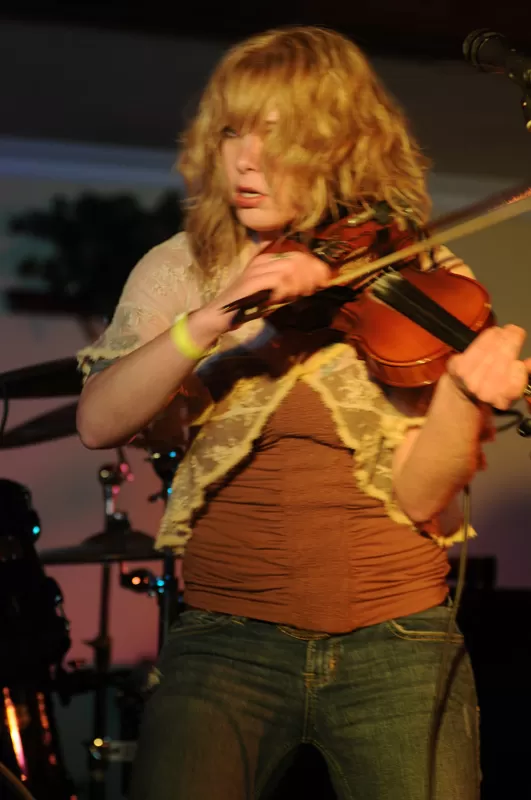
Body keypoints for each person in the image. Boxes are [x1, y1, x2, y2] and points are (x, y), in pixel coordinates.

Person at [76, 25, 530, 800]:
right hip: (224, 643)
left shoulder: (417, 275)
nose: (244, 159)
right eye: (231, 131)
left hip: (397, 642)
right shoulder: (182, 267)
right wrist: (213, 315)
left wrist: (459, 391)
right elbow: (97, 423)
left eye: (275, 134)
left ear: (337, 146)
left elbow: (421, 496)